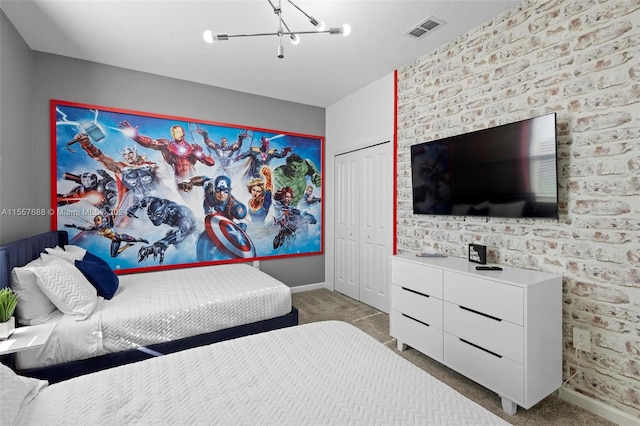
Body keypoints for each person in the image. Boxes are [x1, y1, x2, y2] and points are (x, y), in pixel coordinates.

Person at [119, 121, 215, 182]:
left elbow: (210, 163)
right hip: (178, 180)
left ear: (183, 133)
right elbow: (150, 143)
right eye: (174, 132)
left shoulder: (192, 148)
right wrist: (136, 137)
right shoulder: (167, 145)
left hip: (192, 179)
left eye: (178, 131)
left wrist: (203, 155)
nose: (176, 134)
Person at [126, 196, 198, 264]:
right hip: (180, 224)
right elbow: (148, 199)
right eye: (150, 215)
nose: (153, 218)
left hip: (192, 225)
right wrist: (136, 206)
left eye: (156, 216)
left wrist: (162, 243)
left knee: (180, 246)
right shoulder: (160, 203)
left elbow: (182, 231)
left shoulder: (179, 214)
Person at [65, 213, 148, 257]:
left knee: (136, 240)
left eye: (98, 220)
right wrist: (74, 226)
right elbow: (85, 229)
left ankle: (141, 240)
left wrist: (109, 213)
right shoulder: (97, 228)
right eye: (96, 221)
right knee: (113, 255)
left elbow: (111, 220)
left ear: (102, 220)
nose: (97, 222)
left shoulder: (107, 225)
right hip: (114, 241)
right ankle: (127, 246)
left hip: (120, 237)